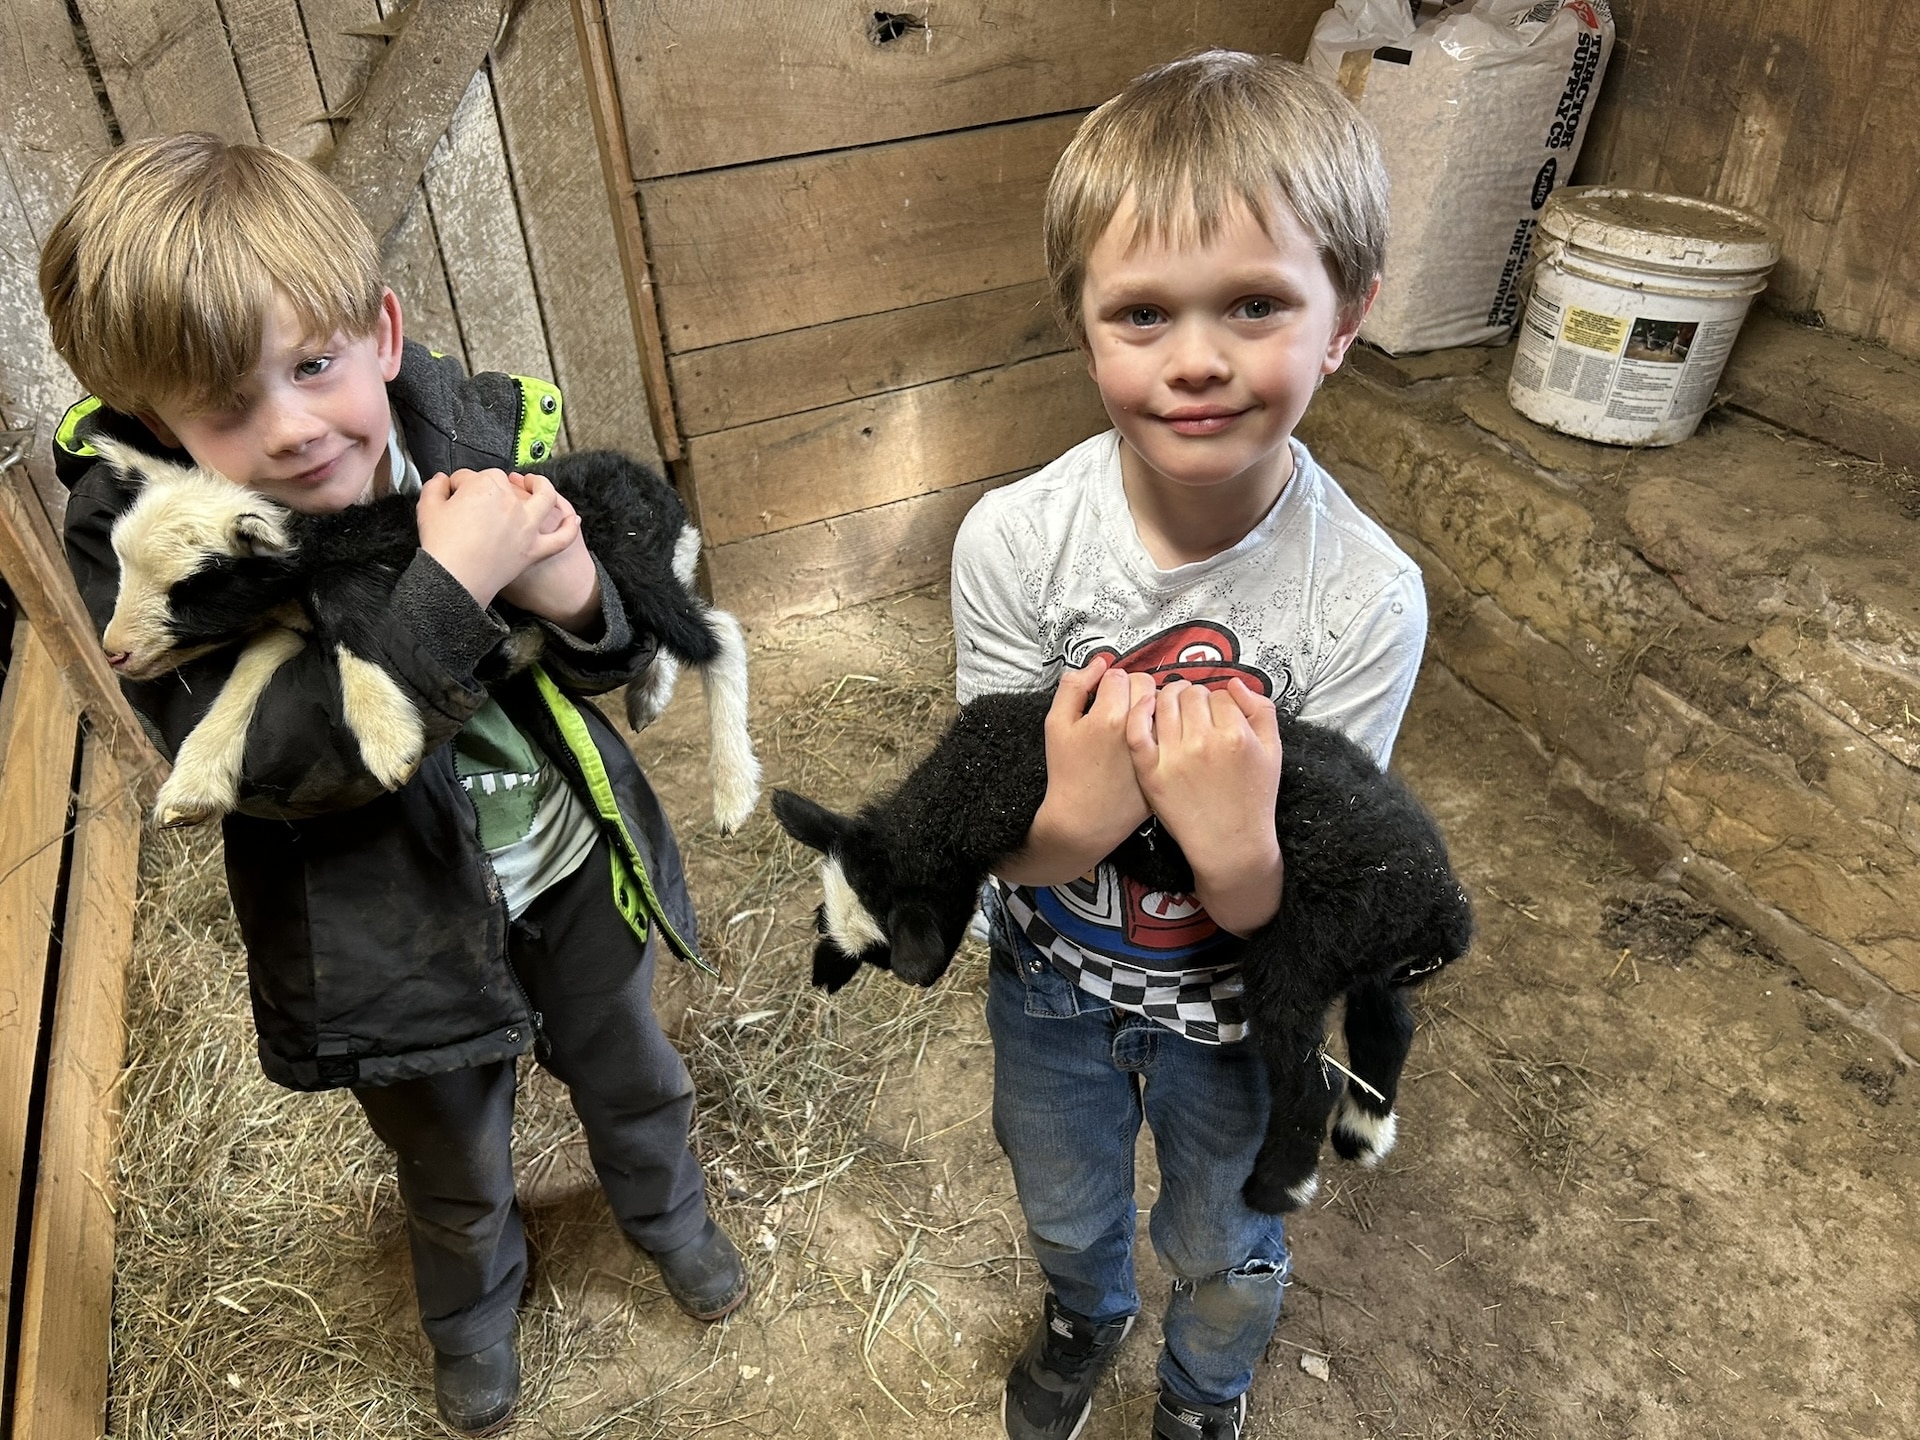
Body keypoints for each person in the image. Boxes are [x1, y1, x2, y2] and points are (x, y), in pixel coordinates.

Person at [40, 134, 747, 1435]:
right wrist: (455, 589)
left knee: (630, 1064)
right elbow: (278, 765)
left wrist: (574, 592)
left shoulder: (470, 431)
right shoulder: (158, 550)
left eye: (314, 365)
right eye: (227, 405)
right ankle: (473, 1318)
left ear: (379, 329)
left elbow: (615, 650)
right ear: (155, 430)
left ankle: (667, 1214)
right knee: (452, 1157)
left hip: (565, 862)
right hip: (389, 935)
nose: (295, 426)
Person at [951, 52, 1423, 1440]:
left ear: (1348, 319)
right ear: (1085, 329)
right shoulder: (1017, 544)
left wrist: (1236, 852)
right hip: (1053, 989)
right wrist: (1067, 823)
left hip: (1240, 1022)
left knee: (1228, 1243)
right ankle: (1085, 1313)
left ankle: (1204, 1391)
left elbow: (1314, 915)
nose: (1199, 357)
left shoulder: (1363, 598)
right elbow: (990, 832)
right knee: (1065, 1198)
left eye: (1258, 305)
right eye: (1145, 312)